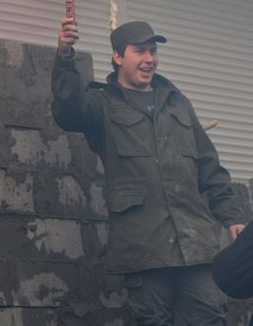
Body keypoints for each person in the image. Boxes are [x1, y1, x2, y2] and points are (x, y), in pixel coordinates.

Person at [51, 18, 245, 325]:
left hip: (195, 245)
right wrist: (65, 56)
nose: (149, 59)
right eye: (140, 51)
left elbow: (209, 166)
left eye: (153, 51)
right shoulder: (101, 105)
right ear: (118, 57)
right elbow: (68, 111)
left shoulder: (177, 104)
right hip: (143, 250)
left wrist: (232, 216)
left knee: (209, 318)